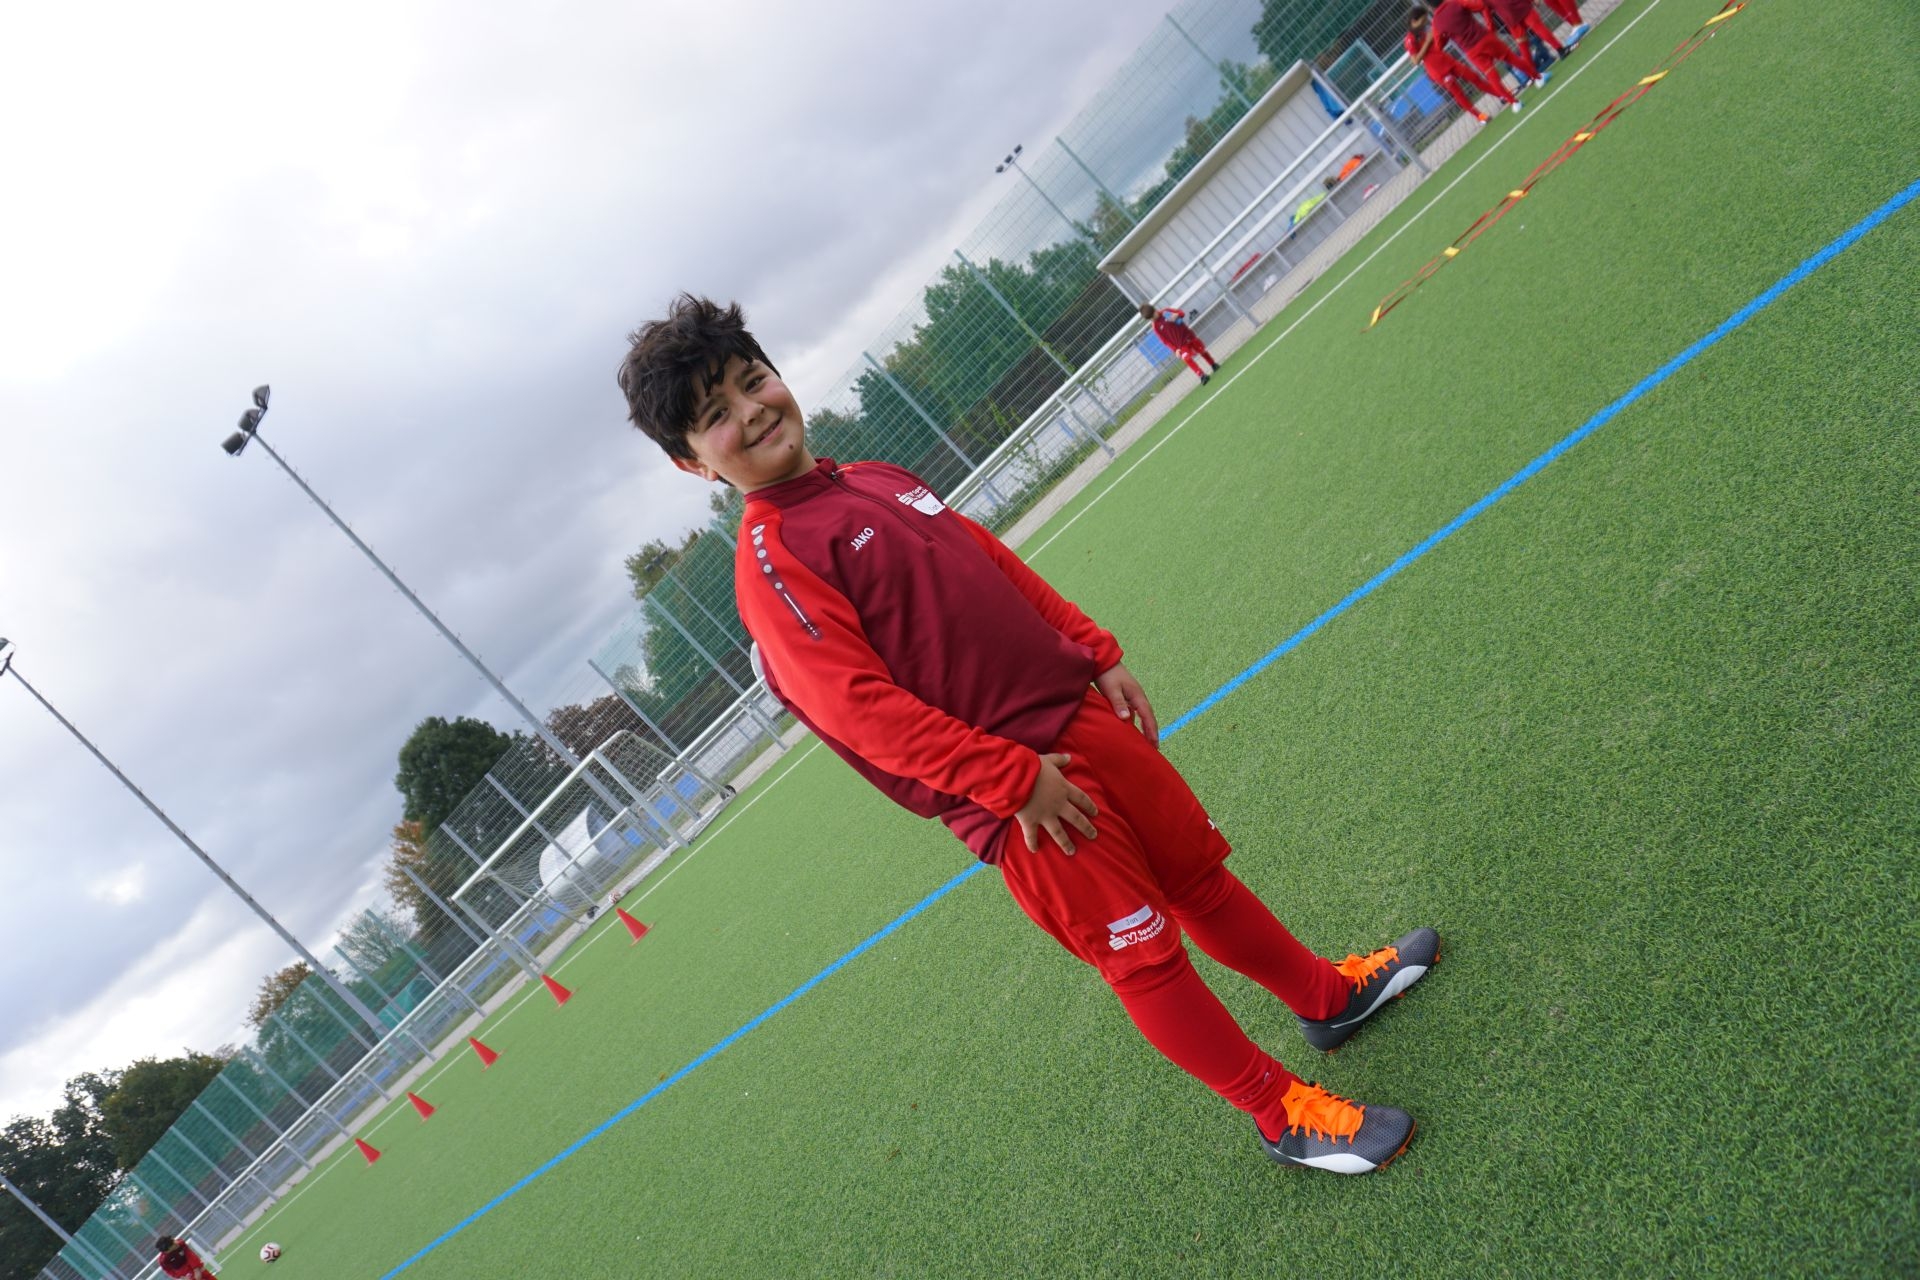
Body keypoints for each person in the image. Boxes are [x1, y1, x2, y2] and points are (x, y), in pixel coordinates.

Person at [617, 296, 1441, 1173]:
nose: (751, 412)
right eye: (717, 415)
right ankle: (1280, 1115)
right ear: (691, 462)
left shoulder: (873, 478)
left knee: (1199, 878)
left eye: (753, 382)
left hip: (1080, 719)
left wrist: (1093, 650)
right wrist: (1010, 780)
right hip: (1024, 799)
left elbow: (991, 563)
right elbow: (861, 711)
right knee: (1145, 960)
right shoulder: (776, 559)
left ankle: (1327, 997)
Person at [1407, 7, 1514, 123]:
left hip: (1448, 61)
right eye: (1423, 20)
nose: (1425, 23)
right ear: (1414, 21)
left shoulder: (1424, 31)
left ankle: (1502, 95)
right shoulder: (1410, 40)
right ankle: (1480, 116)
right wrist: (1428, 42)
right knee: (1459, 94)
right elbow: (1415, 61)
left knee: (1474, 77)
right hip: (1438, 71)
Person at [1423, 1, 1537, 108]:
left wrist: (1447, 35)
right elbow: (1480, 5)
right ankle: (1537, 77)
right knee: (1511, 58)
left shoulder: (1436, 23)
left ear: (1430, 6)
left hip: (1471, 50)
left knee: (1491, 75)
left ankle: (1514, 102)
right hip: (1483, 37)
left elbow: (1439, 45)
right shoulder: (1456, 2)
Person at [1464, 0, 1564, 76]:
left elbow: (1485, 10)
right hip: (1520, 7)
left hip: (1509, 16)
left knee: (1523, 43)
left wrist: (1491, 31)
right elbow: (1485, 10)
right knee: (1538, 29)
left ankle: (1532, 73)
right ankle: (1560, 50)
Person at [1137, 302, 1220, 384]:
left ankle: (1213, 364)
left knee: (1201, 351)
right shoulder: (1156, 327)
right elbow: (1165, 341)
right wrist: (1175, 350)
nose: (1153, 318)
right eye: (1151, 318)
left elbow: (1182, 313)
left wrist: (1177, 315)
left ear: (1155, 310)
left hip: (1188, 336)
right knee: (1186, 358)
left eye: (1153, 315)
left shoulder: (1166, 312)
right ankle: (1201, 375)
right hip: (1180, 345)